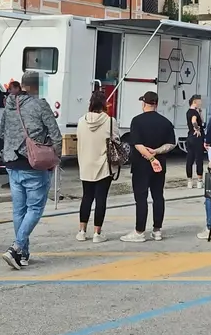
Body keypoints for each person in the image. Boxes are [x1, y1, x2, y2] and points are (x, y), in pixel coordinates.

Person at [1, 71, 62, 269]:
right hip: (34, 163)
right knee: (35, 208)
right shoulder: (40, 104)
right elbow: (56, 134)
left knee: (19, 210)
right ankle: (16, 247)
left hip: (11, 163)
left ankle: (23, 254)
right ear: (37, 86)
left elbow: (2, 132)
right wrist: (55, 158)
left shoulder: (9, 105)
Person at [121, 91, 176, 243]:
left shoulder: (137, 121)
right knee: (158, 196)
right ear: (156, 104)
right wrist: (157, 153)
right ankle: (157, 230)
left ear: (144, 103)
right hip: (160, 165)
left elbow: (138, 145)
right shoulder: (165, 122)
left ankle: (139, 231)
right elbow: (171, 144)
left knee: (141, 198)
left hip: (141, 165)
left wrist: (151, 158)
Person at [75, 89, 118, 243]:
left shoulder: (81, 121)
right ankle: (97, 234)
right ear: (104, 104)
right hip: (104, 166)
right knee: (101, 199)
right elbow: (116, 140)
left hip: (86, 164)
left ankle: (81, 231)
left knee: (86, 197)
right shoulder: (110, 121)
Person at [185, 95, 205, 189]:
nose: (201, 103)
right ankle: (199, 181)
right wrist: (197, 129)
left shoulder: (189, 111)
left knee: (190, 158)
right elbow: (194, 121)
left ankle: (189, 181)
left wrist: (200, 112)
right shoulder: (194, 113)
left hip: (190, 137)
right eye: (199, 101)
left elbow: (201, 120)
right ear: (195, 102)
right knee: (199, 158)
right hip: (197, 137)